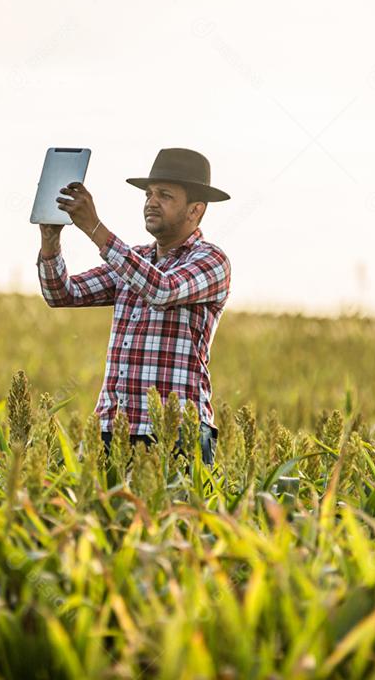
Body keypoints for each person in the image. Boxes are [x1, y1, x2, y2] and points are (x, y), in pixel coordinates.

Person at [36, 147, 232, 465]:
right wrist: (50, 241)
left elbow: (162, 289)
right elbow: (62, 293)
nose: (151, 202)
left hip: (174, 433)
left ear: (196, 210)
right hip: (111, 430)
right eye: (149, 194)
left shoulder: (211, 261)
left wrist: (94, 228)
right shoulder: (133, 259)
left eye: (165, 195)